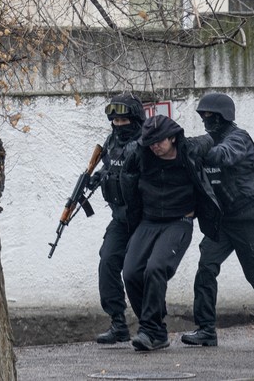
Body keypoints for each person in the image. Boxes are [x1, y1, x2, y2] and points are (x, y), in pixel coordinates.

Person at [181, 92, 254, 347]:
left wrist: (198, 150)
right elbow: (193, 147)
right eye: (203, 116)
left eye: (211, 116)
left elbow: (222, 155)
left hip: (248, 219)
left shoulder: (239, 139)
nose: (206, 120)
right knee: (206, 268)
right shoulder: (210, 139)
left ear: (223, 116)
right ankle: (206, 329)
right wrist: (178, 146)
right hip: (222, 220)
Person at [120, 114, 221, 351]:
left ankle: (148, 330)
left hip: (179, 221)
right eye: (151, 142)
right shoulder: (141, 153)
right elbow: (126, 174)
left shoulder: (189, 150)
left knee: (156, 268)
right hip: (148, 221)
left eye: (160, 141)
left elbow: (211, 139)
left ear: (173, 138)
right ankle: (156, 330)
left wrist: (222, 138)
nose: (155, 146)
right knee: (131, 272)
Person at [88, 93, 145, 344]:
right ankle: (118, 323)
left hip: (145, 219)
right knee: (108, 261)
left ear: (135, 118)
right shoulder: (111, 141)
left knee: (138, 272)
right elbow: (110, 166)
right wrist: (98, 176)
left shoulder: (146, 141)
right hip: (120, 219)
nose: (119, 125)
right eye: (115, 120)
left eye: (124, 120)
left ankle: (150, 325)